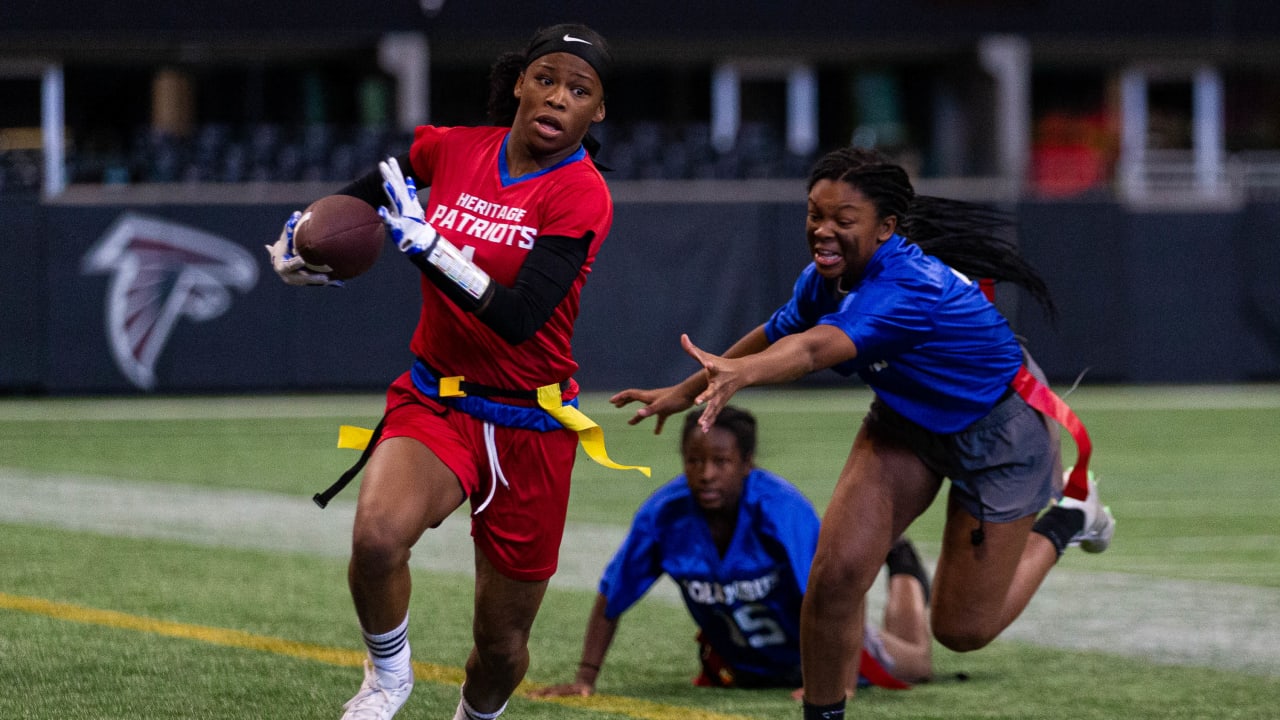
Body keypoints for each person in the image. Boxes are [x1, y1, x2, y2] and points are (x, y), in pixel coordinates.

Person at [611, 146, 1115, 720]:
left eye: (842, 221)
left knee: (961, 630)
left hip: (997, 434)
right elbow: (778, 330)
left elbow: (814, 348)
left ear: (885, 228)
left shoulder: (910, 287)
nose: (822, 232)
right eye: (813, 215)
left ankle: (1069, 519)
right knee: (835, 576)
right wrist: (685, 390)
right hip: (905, 421)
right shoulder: (823, 277)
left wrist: (742, 374)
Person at [265, 23, 635, 720]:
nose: (559, 97)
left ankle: (476, 715)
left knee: (500, 647)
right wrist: (310, 233)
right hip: (439, 400)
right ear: (521, 83)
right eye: (547, 79)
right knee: (377, 539)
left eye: (579, 90)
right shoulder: (458, 148)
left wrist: (436, 250)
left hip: (533, 422)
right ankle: (386, 679)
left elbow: (521, 316)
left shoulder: (582, 194)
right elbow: (381, 182)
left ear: (598, 110)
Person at [530, 406, 933, 700]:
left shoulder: (780, 510)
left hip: (824, 646)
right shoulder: (664, 515)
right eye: (694, 461)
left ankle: (903, 569)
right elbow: (611, 595)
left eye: (721, 462)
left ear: (745, 464)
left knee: (918, 662)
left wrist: (839, 683)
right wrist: (586, 676)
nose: (706, 474)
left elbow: (838, 593)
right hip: (750, 664)